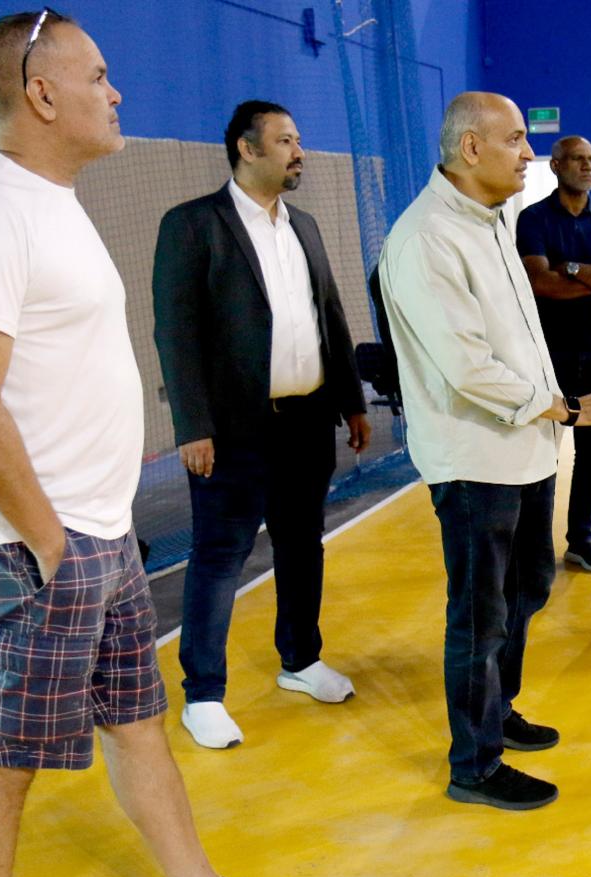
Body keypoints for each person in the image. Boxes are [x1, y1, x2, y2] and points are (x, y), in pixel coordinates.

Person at [0, 11, 289, 877]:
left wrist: (90, 539)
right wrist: (51, 544)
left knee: (136, 722)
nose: (116, 93)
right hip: (31, 548)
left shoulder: (52, 204)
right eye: (97, 77)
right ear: (40, 94)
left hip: (98, 535)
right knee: (2, 767)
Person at [378, 92, 591, 811]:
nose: (531, 155)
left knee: (527, 589)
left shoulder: (491, 221)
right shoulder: (427, 237)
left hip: (524, 450)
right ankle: (475, 762)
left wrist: (550, 411)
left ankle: (501, 709)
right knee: (478, 613)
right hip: (475, 461)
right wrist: (565, 406)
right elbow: (466, 366)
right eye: (518, 140)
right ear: (471, 149)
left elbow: (519, 337)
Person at [152, 100, 371, 750]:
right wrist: (193, 425)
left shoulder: (302, 226)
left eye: (299, 139)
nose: (297, 150)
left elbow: (329, 313)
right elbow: (177, 333)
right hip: (232, 429)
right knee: (221, 556)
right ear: (246, 149)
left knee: (303, 543)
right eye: (285, 140)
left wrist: (352, 401)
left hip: (307, 420)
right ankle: (203, 694)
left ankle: (301, 661)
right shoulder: (193, 225)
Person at [516, 135, 591, 573]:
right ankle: (535, 547)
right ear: (557, 166)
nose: (587, 166)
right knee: (542, 455)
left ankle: (581, 541)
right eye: (578, 159)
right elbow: (539, 283)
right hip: (549, 355)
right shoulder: (533, 219)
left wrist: (574, 268)